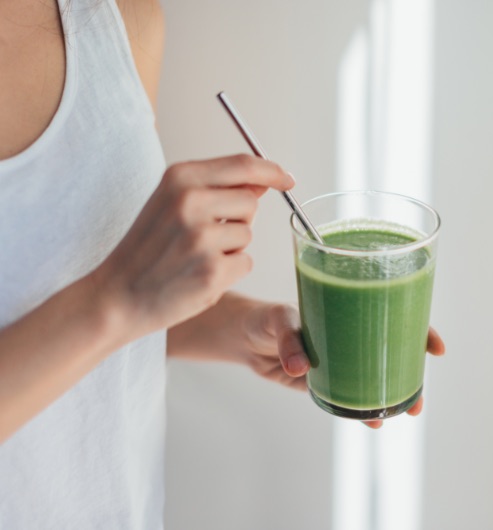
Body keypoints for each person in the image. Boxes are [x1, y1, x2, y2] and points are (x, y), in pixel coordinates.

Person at [0, 0, 446, 527]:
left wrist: (240, 329)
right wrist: (115, 298)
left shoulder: (117, 19)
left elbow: (96, 303)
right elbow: (115, 297)